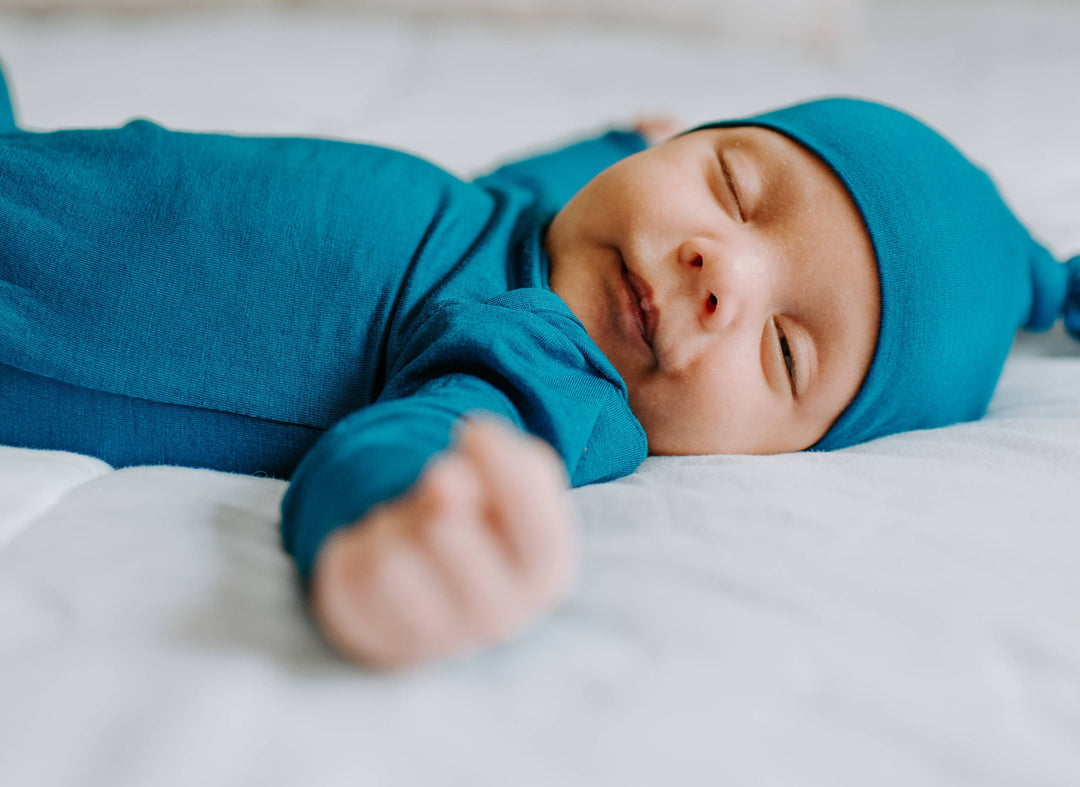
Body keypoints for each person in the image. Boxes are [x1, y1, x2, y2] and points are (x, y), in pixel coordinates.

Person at [1, 61, 1077, 670]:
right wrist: (614, 137)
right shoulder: (551, 216)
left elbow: (424, 434)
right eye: (735, 187)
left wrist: (410, 522)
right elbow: (552, 181)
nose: (721, 271)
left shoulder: (557, 364)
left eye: (784, 348)